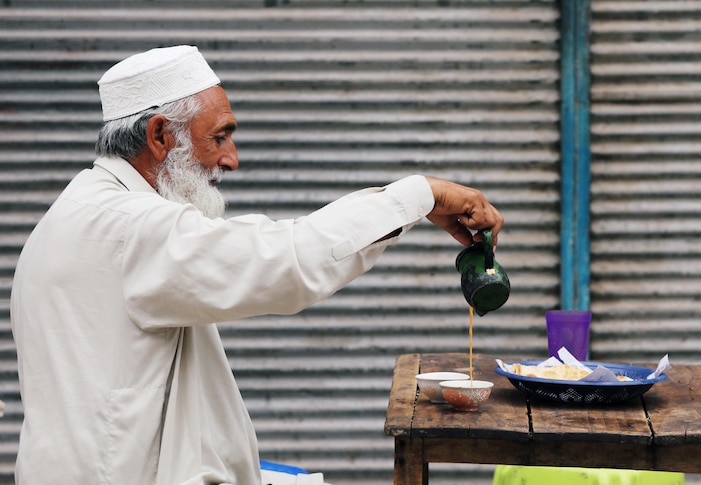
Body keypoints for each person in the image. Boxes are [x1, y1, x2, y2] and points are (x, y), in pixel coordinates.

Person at [10, 45, 503, 485]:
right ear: (160, 136)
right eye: (219, 137)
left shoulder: (79, 213)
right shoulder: (126, 227)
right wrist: (421, 195)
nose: (232, 160)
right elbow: (288, 259)